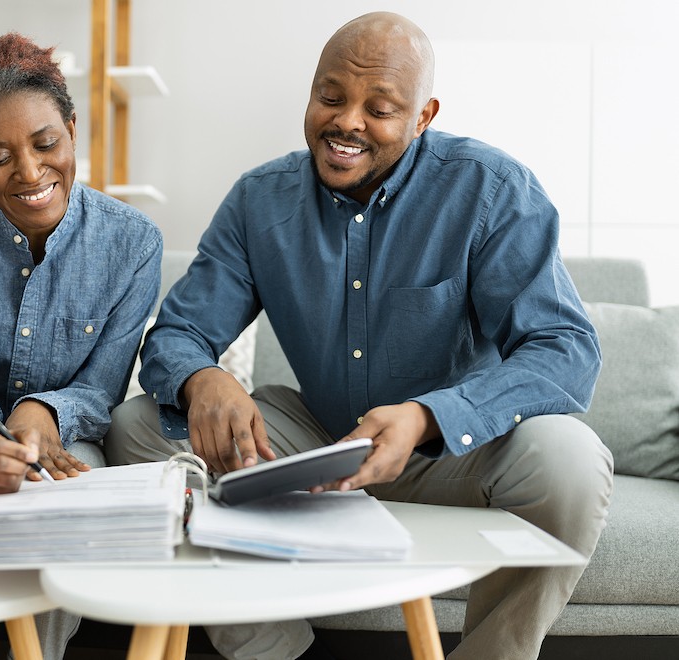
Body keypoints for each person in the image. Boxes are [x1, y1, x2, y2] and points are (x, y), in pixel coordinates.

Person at [105, 11, 613, 660]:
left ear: (424, 116)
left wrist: (428, 416)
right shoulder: (258, 201)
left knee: (569, 460)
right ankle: (279, 650)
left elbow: (565, 351)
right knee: (138, 427)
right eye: (332, 97)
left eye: (380, 108)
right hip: (317, 437)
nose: (347, 122)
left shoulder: (491, 189)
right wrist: (205, 379)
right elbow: (178, 331)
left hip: (447, 450)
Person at [0, 30, 162, 660]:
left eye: (48, 144)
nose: (31, 172)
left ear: (72, 129)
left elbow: (102, 390)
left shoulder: (134, 244)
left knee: (66, 507)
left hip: (70, 441)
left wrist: (43, 412)